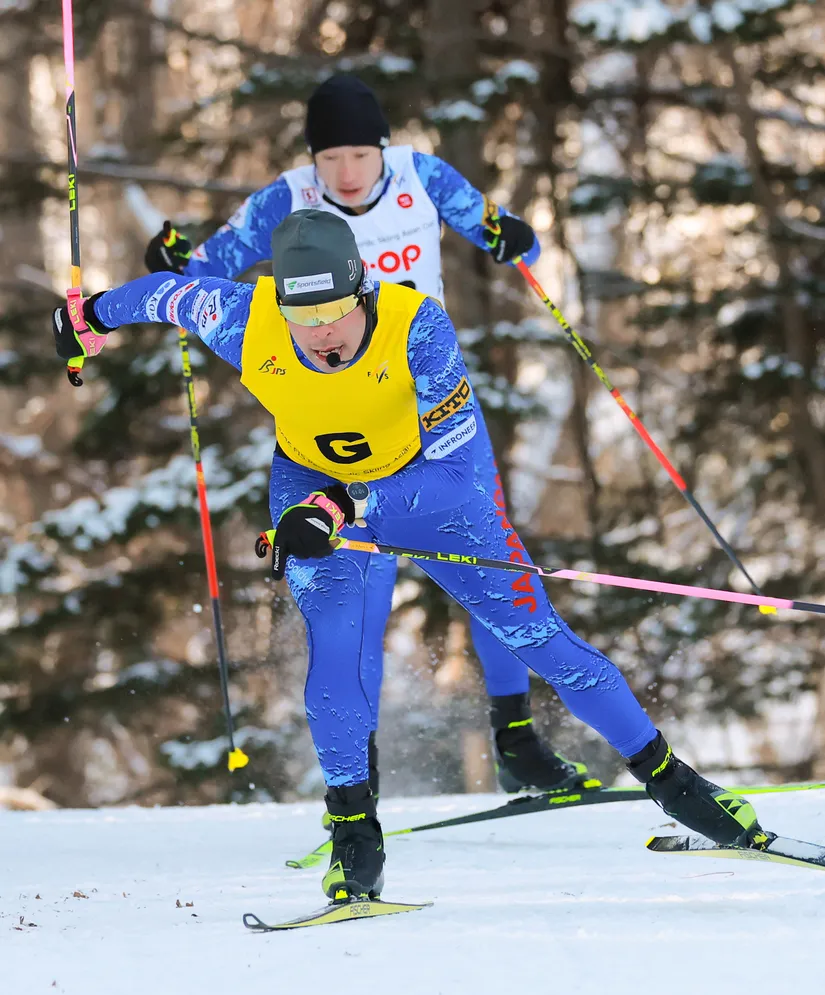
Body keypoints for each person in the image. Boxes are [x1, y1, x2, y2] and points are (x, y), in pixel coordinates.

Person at [53, 209, 765, 902]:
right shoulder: (241, 315)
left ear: (361, 289)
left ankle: (676, 785)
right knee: (335, 647)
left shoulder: (416, 325)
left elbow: (457, 479)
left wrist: (348, 507)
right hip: (310, 486)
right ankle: (354, 832)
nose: (321, 334)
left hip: (426, 489)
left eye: (333, 311)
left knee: (537, 639)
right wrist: (87, 319)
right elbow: (160, 295)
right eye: (303, 319)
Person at [142, 73, 579, 800]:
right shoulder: (285, 198)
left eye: (358, 156)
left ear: (382, 149)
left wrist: (512, 235)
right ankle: (358, 787)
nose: (344, 174)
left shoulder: (422, 174)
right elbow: (207, 269)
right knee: (356, 595)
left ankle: (517, 741)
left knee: (492, 566)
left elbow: (487, 223)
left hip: (428, 409)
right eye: (329, 159)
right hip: (333, 420)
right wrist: (171, 256)